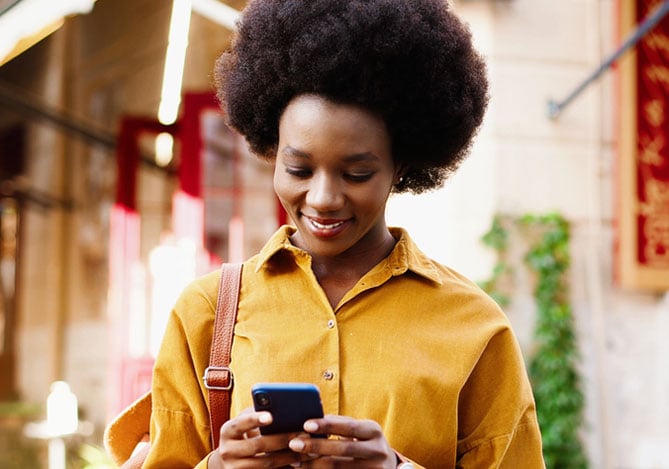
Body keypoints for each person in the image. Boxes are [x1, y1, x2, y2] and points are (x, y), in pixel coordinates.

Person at [142, 0, 545, 467]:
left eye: (356, 174)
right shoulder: (207, 312)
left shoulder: (474, 325)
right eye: (299, 168)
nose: (322, 198)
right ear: (271, 152)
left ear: (402, 167)